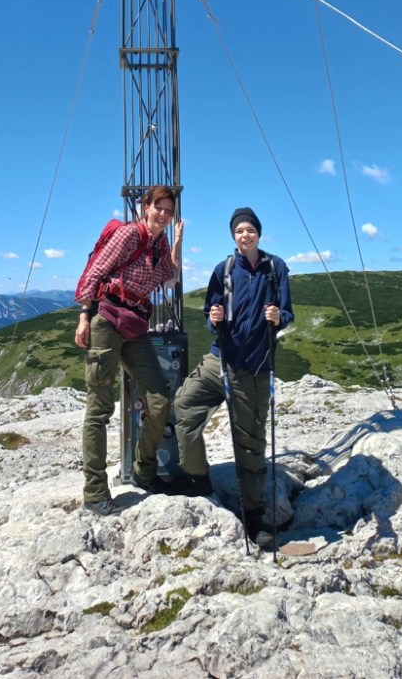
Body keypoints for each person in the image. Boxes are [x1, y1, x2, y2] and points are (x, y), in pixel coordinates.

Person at [174, 207, 293, 548]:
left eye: (250, 230)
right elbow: (210, 314)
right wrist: (213, 318)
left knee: (250, 445)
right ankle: (198, 480)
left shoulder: (276, 268)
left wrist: (278, 318)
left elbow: (288, 313)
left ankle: (254, 518)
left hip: (255, 367)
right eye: (239, 231)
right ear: (233, 236)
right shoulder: (223, 270)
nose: (245, 235)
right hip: (220, 359)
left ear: (259, 233)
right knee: (184, 405)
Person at [75, 185, 184, 516]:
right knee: (99, 408)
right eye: (158, 207)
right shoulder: (127, 235)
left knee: (159, 402)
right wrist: (84, 317)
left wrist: (177, 243)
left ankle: (143, 472)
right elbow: (94, 273)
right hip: (106, 320)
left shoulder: (159, 245)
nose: (163, 215)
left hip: (135, 326)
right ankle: (95, 493)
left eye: (168, 210)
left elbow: (169, 278)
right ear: (145, 207)